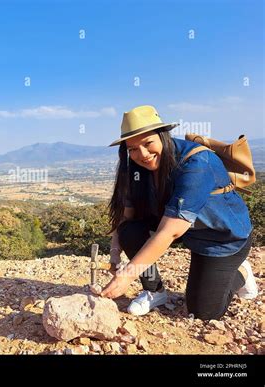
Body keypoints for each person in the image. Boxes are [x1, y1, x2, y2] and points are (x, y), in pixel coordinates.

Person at [101, 105, 258, 320]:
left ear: (163, 136)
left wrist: (126, 276)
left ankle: (241, 272)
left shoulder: (196, 164)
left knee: (203, 312)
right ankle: (155, 291)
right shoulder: (139, 169)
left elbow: (171, 232)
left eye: (148, 143)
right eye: (133, 149)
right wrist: (115, 251)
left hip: (221, 239)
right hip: (188, 230)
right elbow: (128, 216)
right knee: (130, 230)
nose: (143, 154)